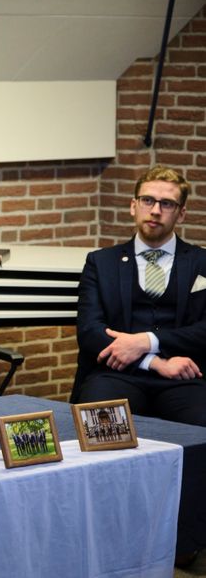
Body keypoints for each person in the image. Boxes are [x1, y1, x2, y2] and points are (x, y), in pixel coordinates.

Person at [72, 165, 206, 427]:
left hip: (185, 375)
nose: (155, 210)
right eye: (148, 200)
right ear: (133, 206)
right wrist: (154, 362)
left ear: (181, 214)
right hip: (116, 375)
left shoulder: (202, 263)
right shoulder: (101, 262)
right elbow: (89, 331)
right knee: (99, 426)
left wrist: (148, 341)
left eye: (167, 203)